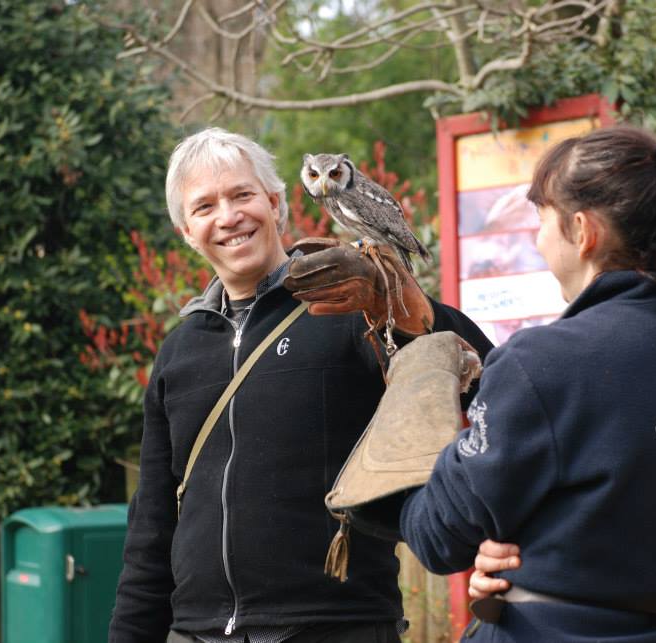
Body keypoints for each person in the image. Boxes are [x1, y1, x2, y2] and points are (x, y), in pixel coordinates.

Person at [108, 127, 492, 643]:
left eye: (242, 195)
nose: (228, 216)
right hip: (196, 633)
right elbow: (152, 528)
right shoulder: (179, 353)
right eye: (204, 207)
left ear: (275, 203)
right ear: (186, 232)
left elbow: (481, 385)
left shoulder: (350, 307)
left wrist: (408, 313)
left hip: (336, 627)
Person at [400, 126, 656, 642]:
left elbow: (434, 536)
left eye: (541, 219)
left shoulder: (544, 361)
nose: (537, 238)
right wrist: (538, 560)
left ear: (582, 230)